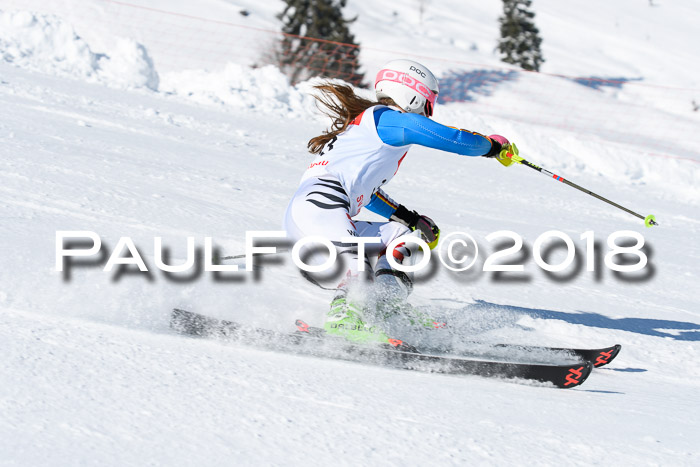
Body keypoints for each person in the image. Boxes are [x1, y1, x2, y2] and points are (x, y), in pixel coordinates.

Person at [283, 59, 515, 345]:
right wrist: (492, 146)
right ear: (415, 95)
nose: (427, 112)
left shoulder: (374, 126)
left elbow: (366, 193)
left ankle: (384, 308)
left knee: (402, 238)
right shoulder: (387, 118)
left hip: (325, 210)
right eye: (428, 104)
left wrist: (408, 218)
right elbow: (450, 138)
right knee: (357, 264)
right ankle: (344, 319)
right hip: (318, 206)